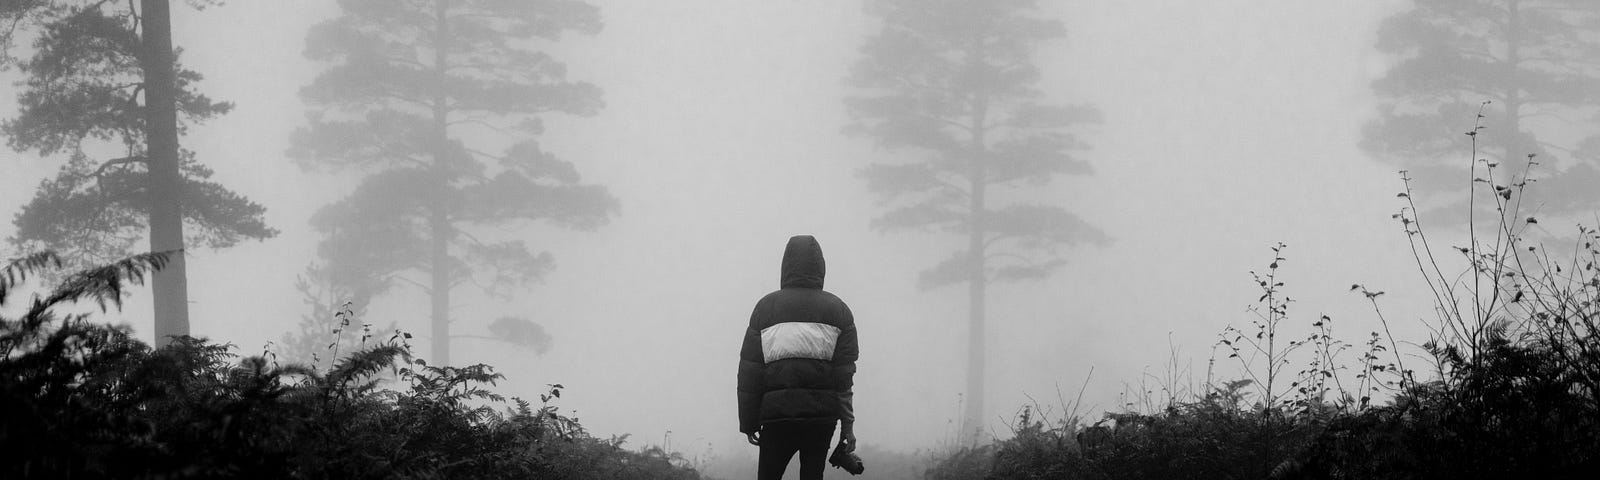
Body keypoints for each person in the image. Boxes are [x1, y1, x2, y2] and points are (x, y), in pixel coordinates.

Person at [737, 235, 859, 480]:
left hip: (777, 418)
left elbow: (750, 373)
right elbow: (844, 378)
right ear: (821, 267)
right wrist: (848, 425)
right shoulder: (839, 311)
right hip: (821, 419)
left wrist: (749, 422)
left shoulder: (765, 308)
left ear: (786, 265)